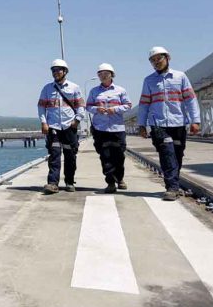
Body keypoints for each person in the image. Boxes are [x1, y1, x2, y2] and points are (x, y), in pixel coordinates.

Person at [138, 46, 201, 201]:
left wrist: (195, 120)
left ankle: (174, 183)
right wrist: (141, 124)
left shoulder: (180, 77)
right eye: (153, 60)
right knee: (167, 153)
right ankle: (171, 187)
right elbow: (144, 103)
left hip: (178, 122)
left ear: (167, 58)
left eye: (159, 58)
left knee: (177, 155)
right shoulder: (149, 80)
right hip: (158, 124)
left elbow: (190, 99)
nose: (156, 62)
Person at [38, 59, 85, 193]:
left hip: (69, 127)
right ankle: (52, 183)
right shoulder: (47, 88)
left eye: (58, 70)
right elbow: (41, 107)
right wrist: (43, 122)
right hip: (53, 127)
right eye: (53, 70)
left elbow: (81, 106)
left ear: (65, 71)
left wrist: (77, 120)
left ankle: (69, 181)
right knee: (54, 155)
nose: (55, 72)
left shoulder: (74, 88)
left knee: (70, 155)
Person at [86, 63, 132, 193]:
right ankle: (110, 182)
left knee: (119, 156)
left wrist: (115, 109)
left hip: (117, 128)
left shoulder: (120, 90)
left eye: (105, 73)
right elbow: (88, 106)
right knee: (105, 156)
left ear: (112, 74)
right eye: (100, 74)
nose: (102, 76)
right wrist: (96, 109)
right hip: (100, 128)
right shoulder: (94, 91)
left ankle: (120, 178)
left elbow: (128, 105)